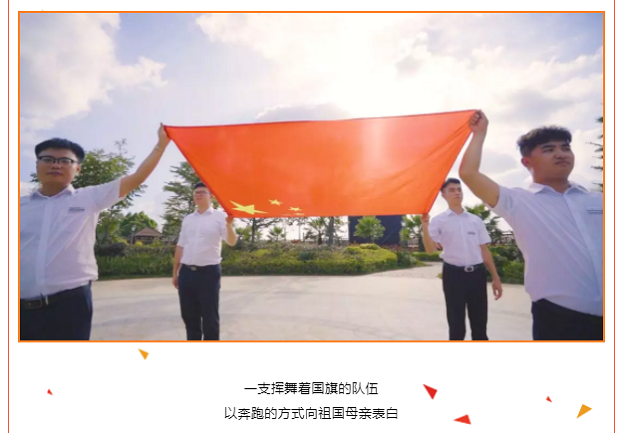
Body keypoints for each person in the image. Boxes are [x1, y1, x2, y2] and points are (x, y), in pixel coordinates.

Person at [459, 111, 603, 340]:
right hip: (559, 318)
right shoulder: (518, 202)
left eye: (565, 148)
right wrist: (479, 133)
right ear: (527, 162)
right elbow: (469, 173)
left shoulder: (598, 201)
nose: (560, 154)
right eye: (549, 149)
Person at [20, 124, 172, 340]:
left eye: (65, 161)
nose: (56, 165)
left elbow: (137, 178)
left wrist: (160, 146)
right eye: (48, 159)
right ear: (37, 164)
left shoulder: (89, 198)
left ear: (78, 169)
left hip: (69, 305)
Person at [421, 178, 503, 341]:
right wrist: (424, 225)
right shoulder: (438, 221)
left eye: (459, 189)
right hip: (453, 276)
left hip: (477, 275)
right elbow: (430, 249)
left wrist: (495, 277)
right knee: (456, 327)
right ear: (443, 195)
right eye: (451, 190)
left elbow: (484, 250)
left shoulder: (475, 220)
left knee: (480, 326)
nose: (457, 192)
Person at [173, 183, 238, 341]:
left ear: (211, 196)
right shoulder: (188, 219)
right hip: (187, 273)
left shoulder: (220, 217)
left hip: (208, 273)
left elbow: (232, 242)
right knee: (189, 316)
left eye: (202, 192)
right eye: (196, 192)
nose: (198, 195)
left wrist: (229, 225)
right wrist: (175, 272)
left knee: (210, 318)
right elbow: (181, 246)